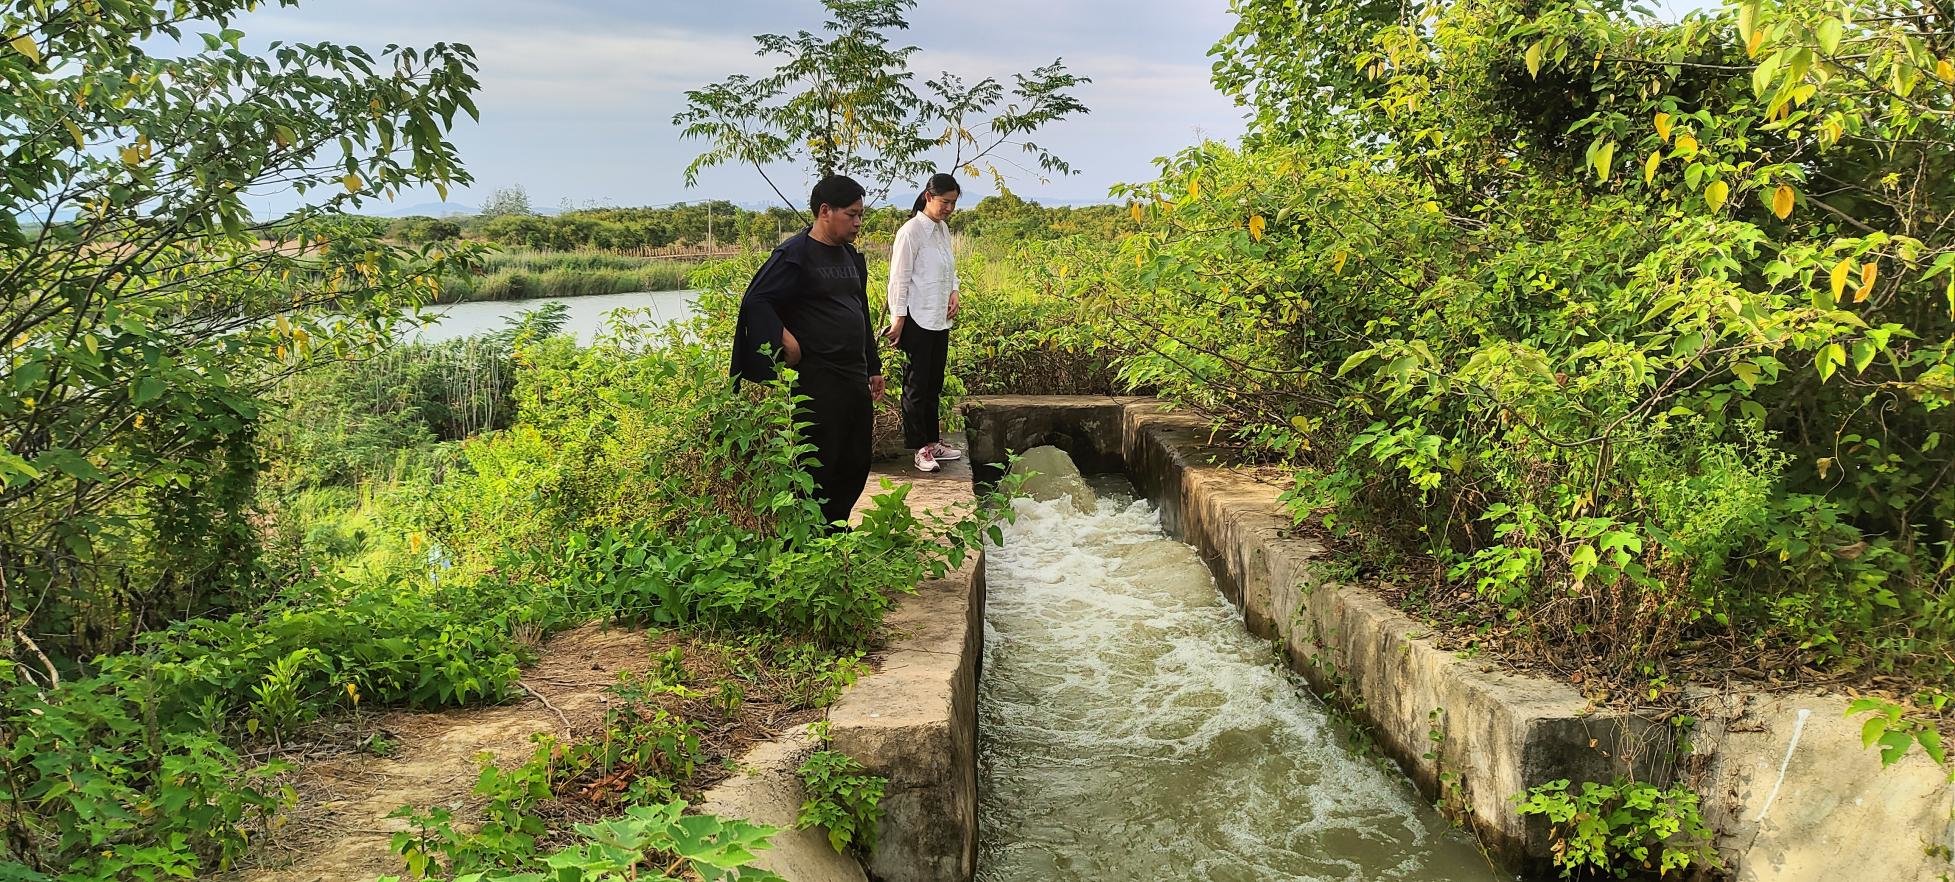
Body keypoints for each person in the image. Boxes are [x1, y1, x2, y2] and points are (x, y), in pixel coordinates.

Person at [731, 175, 885, 529]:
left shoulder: (848, 255)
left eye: (861, 214)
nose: (858, 222)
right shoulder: (794, 255)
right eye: (852, 214)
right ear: (825, 211)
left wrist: (873, 366)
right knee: (821, 460)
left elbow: (859, 309)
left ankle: (836, 526)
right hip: (817, 379)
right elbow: (756, 300)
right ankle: (812, 538)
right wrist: (785, 338)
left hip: (852, 374)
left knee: (856, 458)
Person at [883, 173, 963, 473]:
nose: (949, 209)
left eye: (953, 204)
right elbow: (899, 279)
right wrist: (898, 318)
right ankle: (919, 448)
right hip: (916, 317)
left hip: (939, 319)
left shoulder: (942, 230)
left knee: (933, 385)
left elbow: (949, 266)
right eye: (945, 202)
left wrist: (954, 291)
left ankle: (933, 441)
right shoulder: (910, 231)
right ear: (929, 196)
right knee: (916, 386)